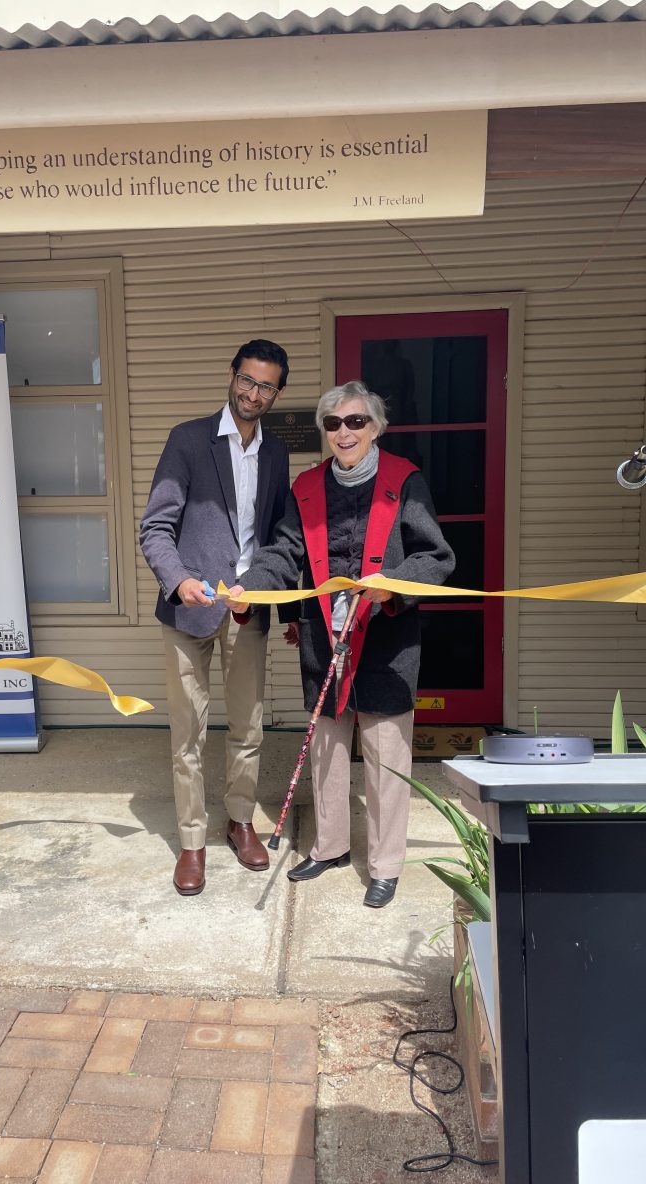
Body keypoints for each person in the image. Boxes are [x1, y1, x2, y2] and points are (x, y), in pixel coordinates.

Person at [226, 380, 454, 908]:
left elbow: (435, 557)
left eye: (355, 422)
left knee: (385, 755)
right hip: (322, 637)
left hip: (386, 637)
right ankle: (328, 847)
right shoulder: (306, 488)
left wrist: (390, 586)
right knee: (327, 751)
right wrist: (250, 590)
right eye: (333, 423)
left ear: (375, 427)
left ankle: (385, 865)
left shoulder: (405, 481)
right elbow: (283, 553)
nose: (344, 432)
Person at [139, 339, 291, 896]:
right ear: (231, 376)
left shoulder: (275, 455)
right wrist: (178, 580)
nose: (253, 393)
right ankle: (192, 841)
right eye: (247, 381)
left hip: (247, 611)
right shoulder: (187, 440)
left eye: (266, 386)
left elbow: (278, 539)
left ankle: (239, 820)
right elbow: (155, 527)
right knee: (189, 732)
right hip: (189, 610)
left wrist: (266, 588)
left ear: (278, 393)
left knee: (248, 727)